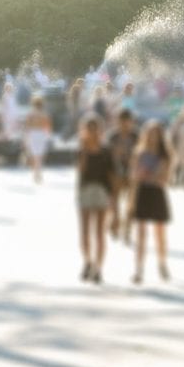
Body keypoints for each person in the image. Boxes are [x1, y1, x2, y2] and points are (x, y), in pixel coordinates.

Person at [130, 121, 172, 284]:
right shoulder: (139, 153)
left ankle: (162, 263)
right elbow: (135, 176)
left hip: (157, 194)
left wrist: (150, 176)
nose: (153, 137)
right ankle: (138, 269)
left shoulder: (165, 155)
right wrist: (132, 201)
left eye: (156, 133)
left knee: (159, 232)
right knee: (140, 233)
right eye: (151, 133)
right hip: (142, 192)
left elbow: (164, 179)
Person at [77, 116, 115, 284]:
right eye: (89, 128)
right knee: (85, 230)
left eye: (95, 128)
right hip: (85, 190)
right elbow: (80, 170)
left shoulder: (106, 150)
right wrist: (85, 150)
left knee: (99, 232)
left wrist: (113, 199)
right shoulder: (81, 149)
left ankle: (99, 268)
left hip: (102, 191)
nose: (92, 132)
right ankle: (87, 261)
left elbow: (111, 176)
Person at [106, 109, 139, 242]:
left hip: (132, 173)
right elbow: (106, 155)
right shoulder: (112, 136)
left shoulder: (136, 136)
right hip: (115, 172)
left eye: (127, 121)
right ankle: (115, 222)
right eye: (122, 121)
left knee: (131, 204)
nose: (124, 124)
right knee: (114, 202)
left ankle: (127, 230)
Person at [23, 95, 52, 184]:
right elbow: (47, 126)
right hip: (41, 134)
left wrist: (26, 137)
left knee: (35, 156)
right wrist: (48, 136)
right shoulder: (44, 114)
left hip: (33, 134)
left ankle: (36, 174)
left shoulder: (30, 114)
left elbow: (27, 126)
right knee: (39, 156)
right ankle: (38, 173)